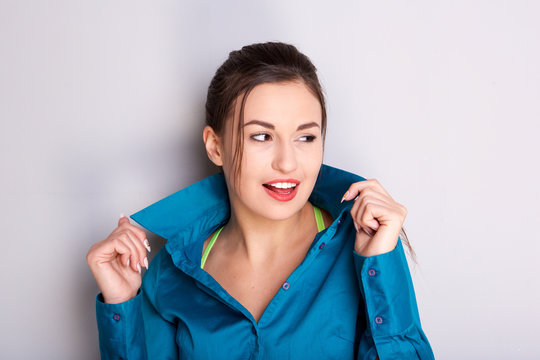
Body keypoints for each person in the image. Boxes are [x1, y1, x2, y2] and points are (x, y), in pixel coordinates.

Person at [86, 41, 435, 359]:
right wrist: (122, 303)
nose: (287, 162)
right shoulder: (171, 271)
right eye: (262, 135)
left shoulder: (367, 253)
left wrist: (382, 267)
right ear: (215, 146)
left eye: (306, 137)